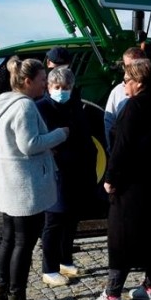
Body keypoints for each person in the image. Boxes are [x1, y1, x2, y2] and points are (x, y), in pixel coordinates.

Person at [85, 58, 151, 300]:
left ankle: (112, 295)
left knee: (121, 239)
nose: (123, 84)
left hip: (133, 187)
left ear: (139, 82)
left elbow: (122, 148)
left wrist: (110, 179)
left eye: (126, 79)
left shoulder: (132, 107)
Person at [0, 57, 68, 300]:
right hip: (24, 188)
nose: (46, 85)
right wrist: (60, 134)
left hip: (8, 184)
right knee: (23, 245)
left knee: (9, 241)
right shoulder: (24, 107)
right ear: (27, 81)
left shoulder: (4, 103)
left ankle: (3, 295)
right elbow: (29, 144)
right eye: (43, 80)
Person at [35, 66, 97, 286]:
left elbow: (85, 138)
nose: (62, 91)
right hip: (55, 171)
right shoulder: (41, 107)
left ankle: (65, 259)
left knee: (71, 217)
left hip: (76, 171)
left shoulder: (76, 107)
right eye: (57, 87)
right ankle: (49, 268)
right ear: (49, 87)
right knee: (54, 219)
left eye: (66, 87)